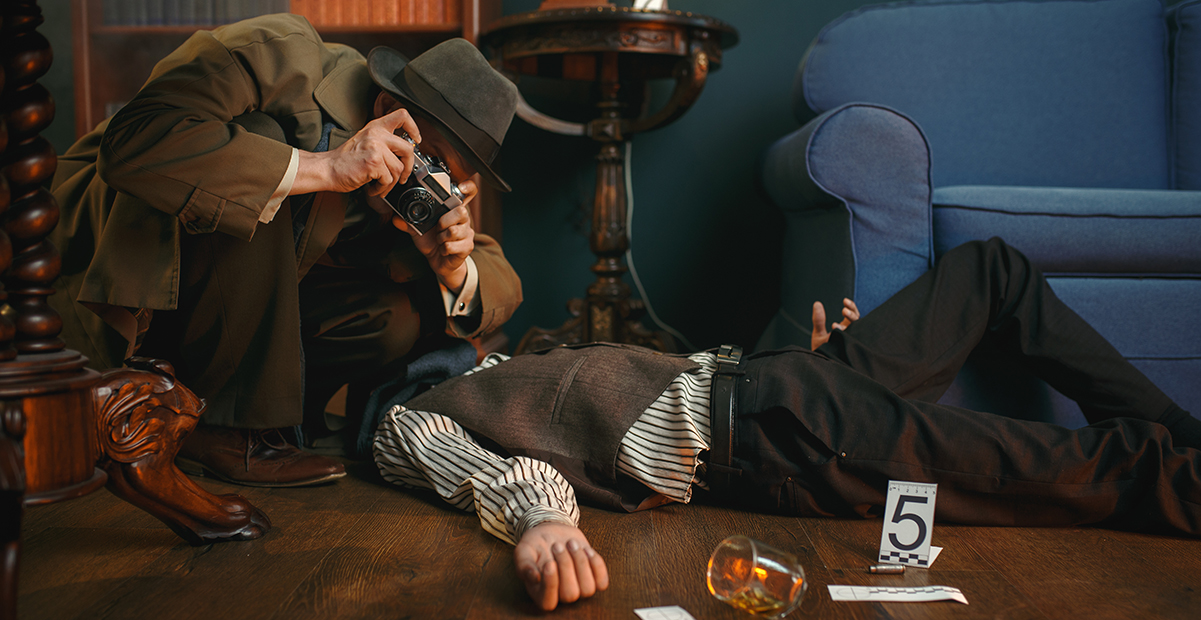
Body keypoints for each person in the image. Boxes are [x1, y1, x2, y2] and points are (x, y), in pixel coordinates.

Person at [371, 237, 1201, 611]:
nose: (465, 296)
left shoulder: (501, 364)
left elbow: (657, 389)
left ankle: (1184, 427)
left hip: (780, 383)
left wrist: (810, 360)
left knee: (990, 270)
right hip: (777, 435)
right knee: (1122, 469)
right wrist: (541, 523)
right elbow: (493, 473)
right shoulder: (405, 419)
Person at [49, 13, 523, 487]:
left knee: (394, 315)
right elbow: (134, 138)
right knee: (262, 133)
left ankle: (242, 421)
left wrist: (452, 265)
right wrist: (324, 168)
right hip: (115, 253)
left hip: (231, 312)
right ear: (387, 109)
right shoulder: (281, 54)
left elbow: (500, 277)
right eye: (430, 160)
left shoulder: (414, 202)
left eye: (450, 180)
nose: (430, 181)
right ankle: (232, 430)